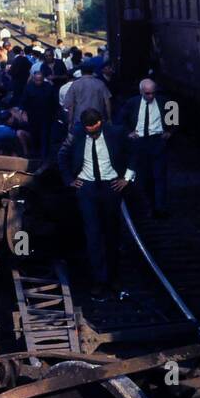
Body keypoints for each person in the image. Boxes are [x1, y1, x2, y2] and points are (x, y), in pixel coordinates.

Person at [59, 108, 134, 297]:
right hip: (87, 188)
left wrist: (127, 177)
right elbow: (62, 155)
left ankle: (114, 277)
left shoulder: (116, 133)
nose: (92, 133)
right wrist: (69, 179)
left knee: (112, 233)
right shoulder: (76, 134)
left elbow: (134, 153)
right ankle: (99, 280)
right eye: (88, 130)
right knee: (93, 235)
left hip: (111, 186)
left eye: (95, 129)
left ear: (101, 122)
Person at [120, 77, 174, 217]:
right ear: (141, 92)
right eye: (148, 93)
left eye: (153, 93)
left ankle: (160, 208)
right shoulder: (132, 103)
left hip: (157, 141)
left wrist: (170, 132)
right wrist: (129, 133)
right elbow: (122, 119)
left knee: (159, 176)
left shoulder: (164, 101)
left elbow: (174, 117)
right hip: (139, 142)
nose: (151, 96)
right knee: (144, 177)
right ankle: (150, 205)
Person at [63, 60, 111, 127]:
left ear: (81, 72)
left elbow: (70, 105)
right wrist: (109, 118)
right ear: (92, 71)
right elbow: (107, 103)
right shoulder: (100, 84)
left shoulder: (75, 84)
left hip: (80, 120)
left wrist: (70, 122)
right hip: (97, 120)